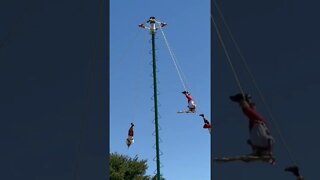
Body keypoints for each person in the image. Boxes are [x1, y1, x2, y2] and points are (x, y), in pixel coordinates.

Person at [230, 93, 274, 158]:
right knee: (247, 111)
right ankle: (242, 99)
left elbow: (249, 142)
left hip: (253, 128)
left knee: (250, 112)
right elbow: (270, 140)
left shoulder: (257, 147)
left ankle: (247, 100)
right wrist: (270, 152)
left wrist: (252, 151)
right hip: (260, 123)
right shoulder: (265, 145)